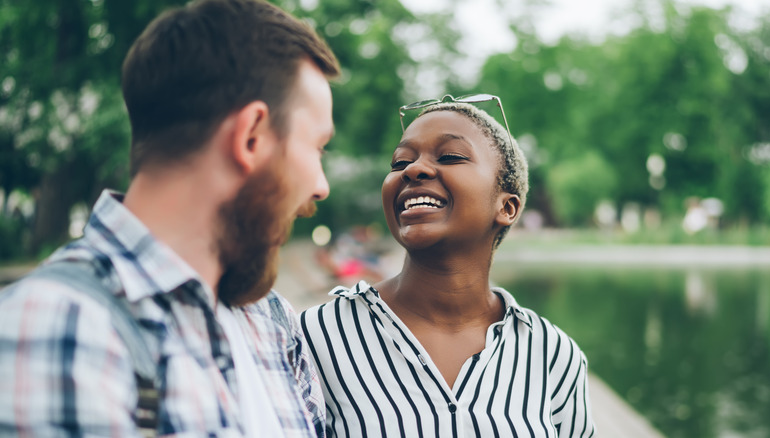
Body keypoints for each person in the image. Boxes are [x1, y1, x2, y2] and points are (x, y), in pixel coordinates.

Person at [0, 0, 339, 436]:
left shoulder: (272, 320)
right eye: (316, 147)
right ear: (251, 136)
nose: (320, 185)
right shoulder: (55, 327)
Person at [301, 95, 595, 437]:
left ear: (508, 207)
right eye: (399, 162)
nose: (413, 169)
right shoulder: (316, 338)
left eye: (450, 156)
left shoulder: (552, 355)